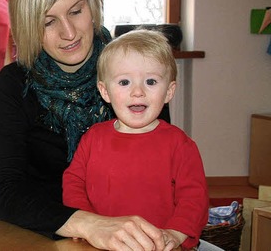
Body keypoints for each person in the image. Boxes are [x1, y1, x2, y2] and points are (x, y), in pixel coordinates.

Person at [0, 0, 171, 250]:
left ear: (93, 6)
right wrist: (90, 224)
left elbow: (166, 172)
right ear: (27, 26)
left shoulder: (139, 71)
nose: (69, 32)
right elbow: (6, 193)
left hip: (136, 233)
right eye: (48, 22)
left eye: (76, 11)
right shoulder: (14, 84)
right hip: (47, 234)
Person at [62, 30, 209, 250]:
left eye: (150, 81)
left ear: (169, 92)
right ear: (105, 92)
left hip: (159, 245)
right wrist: (86, 223)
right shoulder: (93, 138)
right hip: (102, 245)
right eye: (124, 82)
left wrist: (176, 233)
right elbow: (74, 182)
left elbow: (195, 198)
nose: (138, 91)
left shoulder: (180, 145)